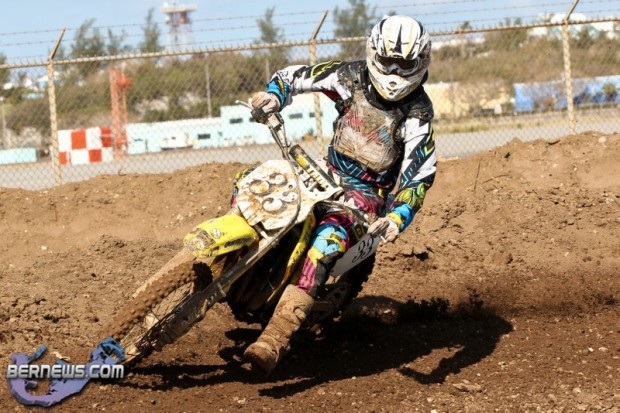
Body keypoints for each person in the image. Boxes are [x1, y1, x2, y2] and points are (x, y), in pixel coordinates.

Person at [242, 15, 437, 375]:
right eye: (388, 61)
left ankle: (274, 338)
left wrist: (397, 217)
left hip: (367, 195)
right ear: (374, 53)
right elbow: (294, 77)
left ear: (421, 62)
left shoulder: (418, 114)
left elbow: (419, 175)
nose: (395, 72)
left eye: (405, 64)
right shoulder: (349, 76)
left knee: (326, 242)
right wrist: (273, 96)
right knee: (256, 181)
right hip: (325, 170)